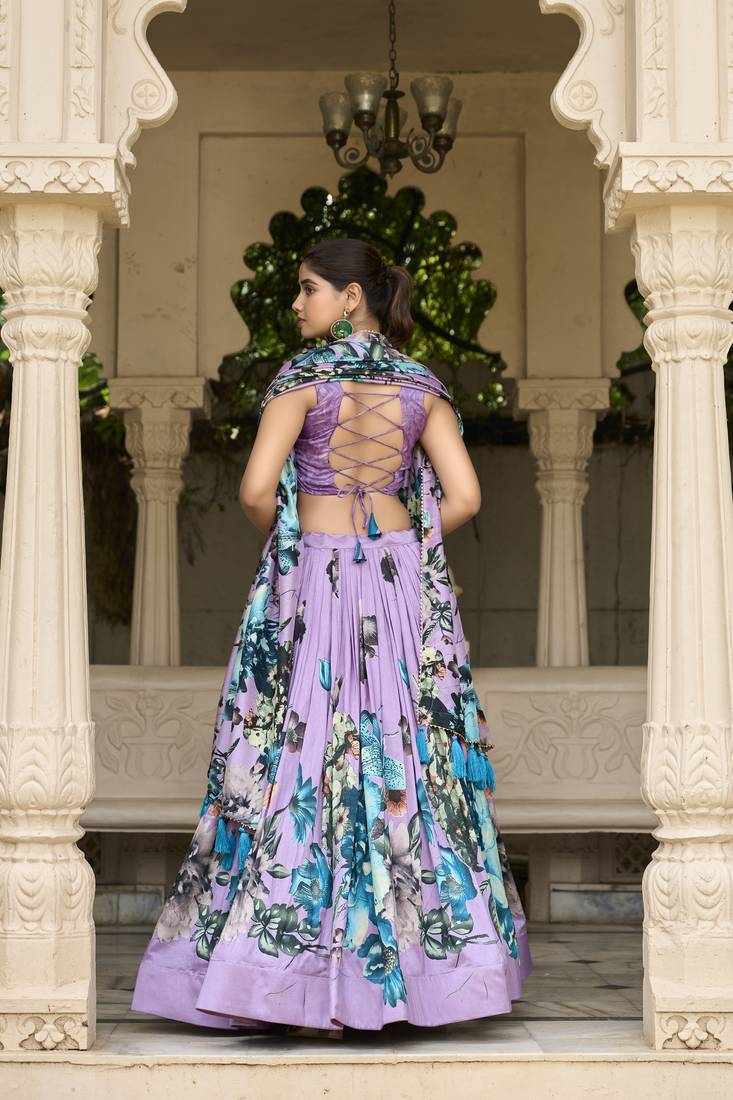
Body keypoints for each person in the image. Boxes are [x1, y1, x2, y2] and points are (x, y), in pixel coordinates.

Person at [131, 237, 531, 1036]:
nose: (296, 303)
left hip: (313, 577)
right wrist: (402, 547)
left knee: (300, 747)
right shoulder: (420, 387)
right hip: (396, 585)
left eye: (308, 288)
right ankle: (421, 979)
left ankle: (290, 979)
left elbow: (256, 490)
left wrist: (299, 542)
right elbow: (463, 496)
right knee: (402, 749)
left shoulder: (301, 380)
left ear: (351, 296)